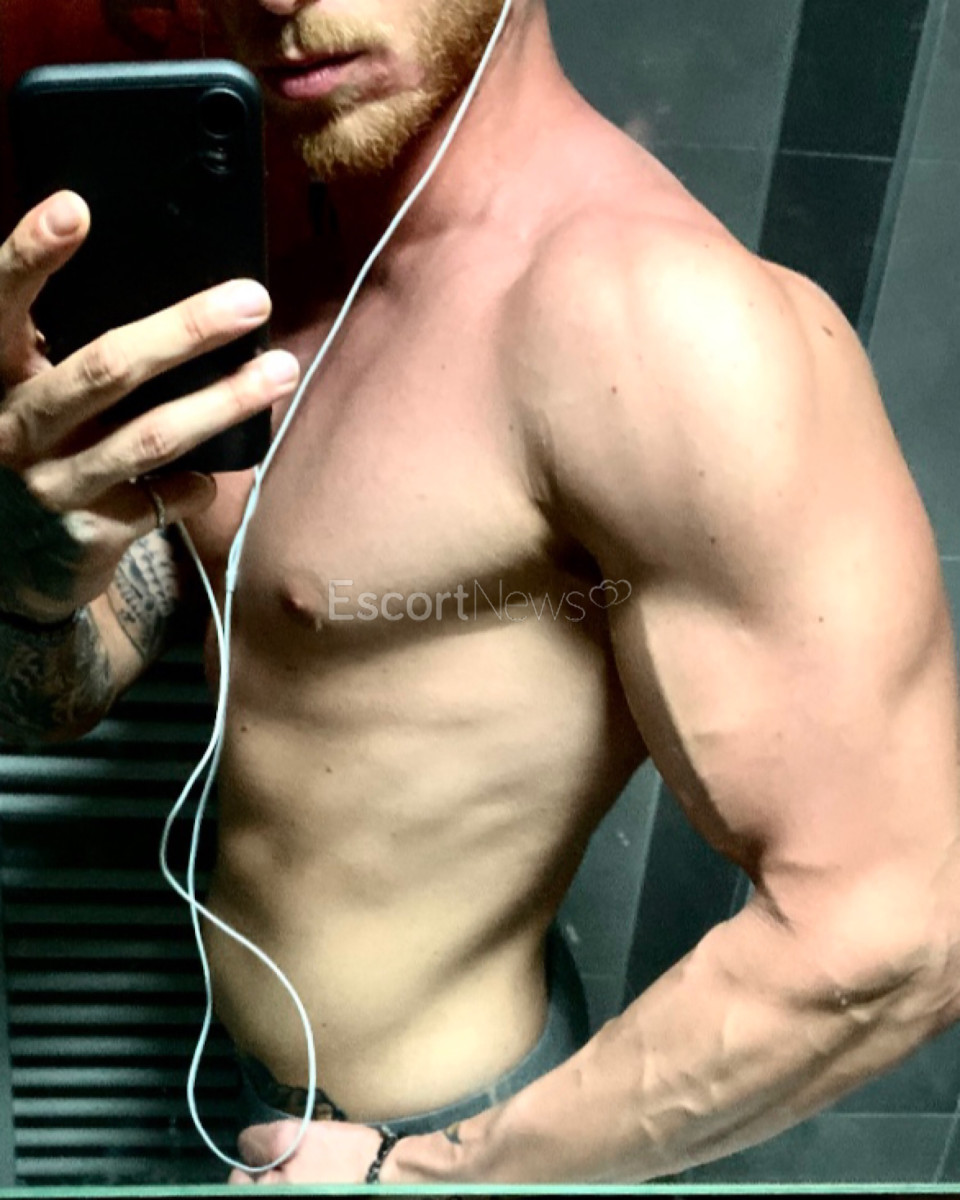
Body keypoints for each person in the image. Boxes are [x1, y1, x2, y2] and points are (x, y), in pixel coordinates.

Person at [1, 0, 958, 1185]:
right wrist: (34, 579)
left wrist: (428, 1178)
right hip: (235, 1090)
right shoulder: (276, 276)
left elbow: (892, 934)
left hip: (435, 1136)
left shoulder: (652, 318)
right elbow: (58, 697)